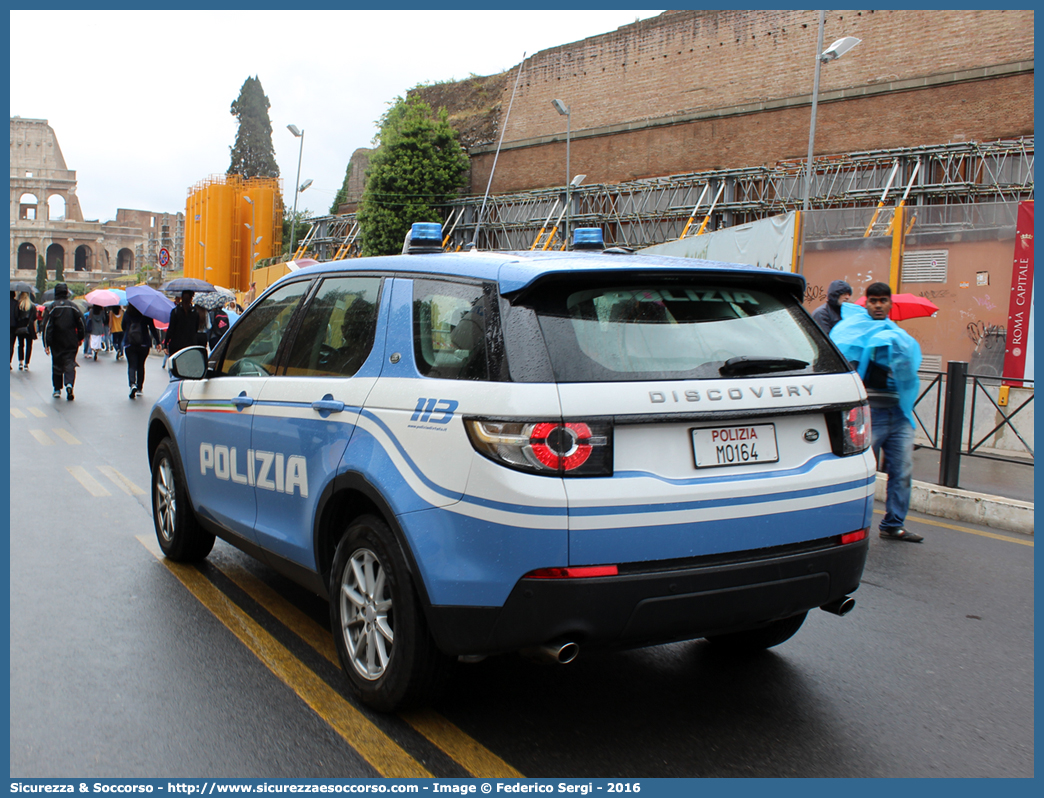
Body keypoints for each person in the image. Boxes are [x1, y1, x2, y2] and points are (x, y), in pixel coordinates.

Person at [831, 282, 924, 543]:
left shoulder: (897, 335)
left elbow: (908, 371)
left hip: (899, 414)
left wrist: (899, 356)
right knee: (860, 473)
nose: (878, 305)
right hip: (870, 415)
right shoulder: (853, 333)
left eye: (883, 300)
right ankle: (848, 526)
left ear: (890, 304)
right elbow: (848, 367)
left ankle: (894, 524)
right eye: (873, 301)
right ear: (866, 303)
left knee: (902, 471)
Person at [41, 283, 86, 401]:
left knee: (57, 363)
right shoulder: (73, 306)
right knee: (69, 362)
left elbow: (46, 326)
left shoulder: (52, 307)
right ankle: (69, 384)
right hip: (71, 340)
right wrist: (80, 338)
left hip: (56, 341)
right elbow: (81, 323)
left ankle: (57, 389)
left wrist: (46, 344)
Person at [123, 302, 158, 399]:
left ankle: (132, 384)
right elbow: (152, 328)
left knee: (132, 365)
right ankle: (139, 388)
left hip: (130, 343)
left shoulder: (127, 313)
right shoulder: (146, 314)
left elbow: (123, 326)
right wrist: (158, 342)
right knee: (141, 365)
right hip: (144, 343)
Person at [163, 291, 199, 357]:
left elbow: (171, 329)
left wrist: (165, 344)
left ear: (181, 297)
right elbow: (196, 328)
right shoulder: (195, 312)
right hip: (190, 345)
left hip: (176, 345)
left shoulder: (175, 311)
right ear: (191, 298)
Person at [14, 291, 38, 371]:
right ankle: (26, 363)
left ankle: (20, 362)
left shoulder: (18, 305)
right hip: (29, 328)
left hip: (20, 327)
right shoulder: (32, 306)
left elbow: (16, 316)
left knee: (20, 345)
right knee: (29, 345)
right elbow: (35, 317)